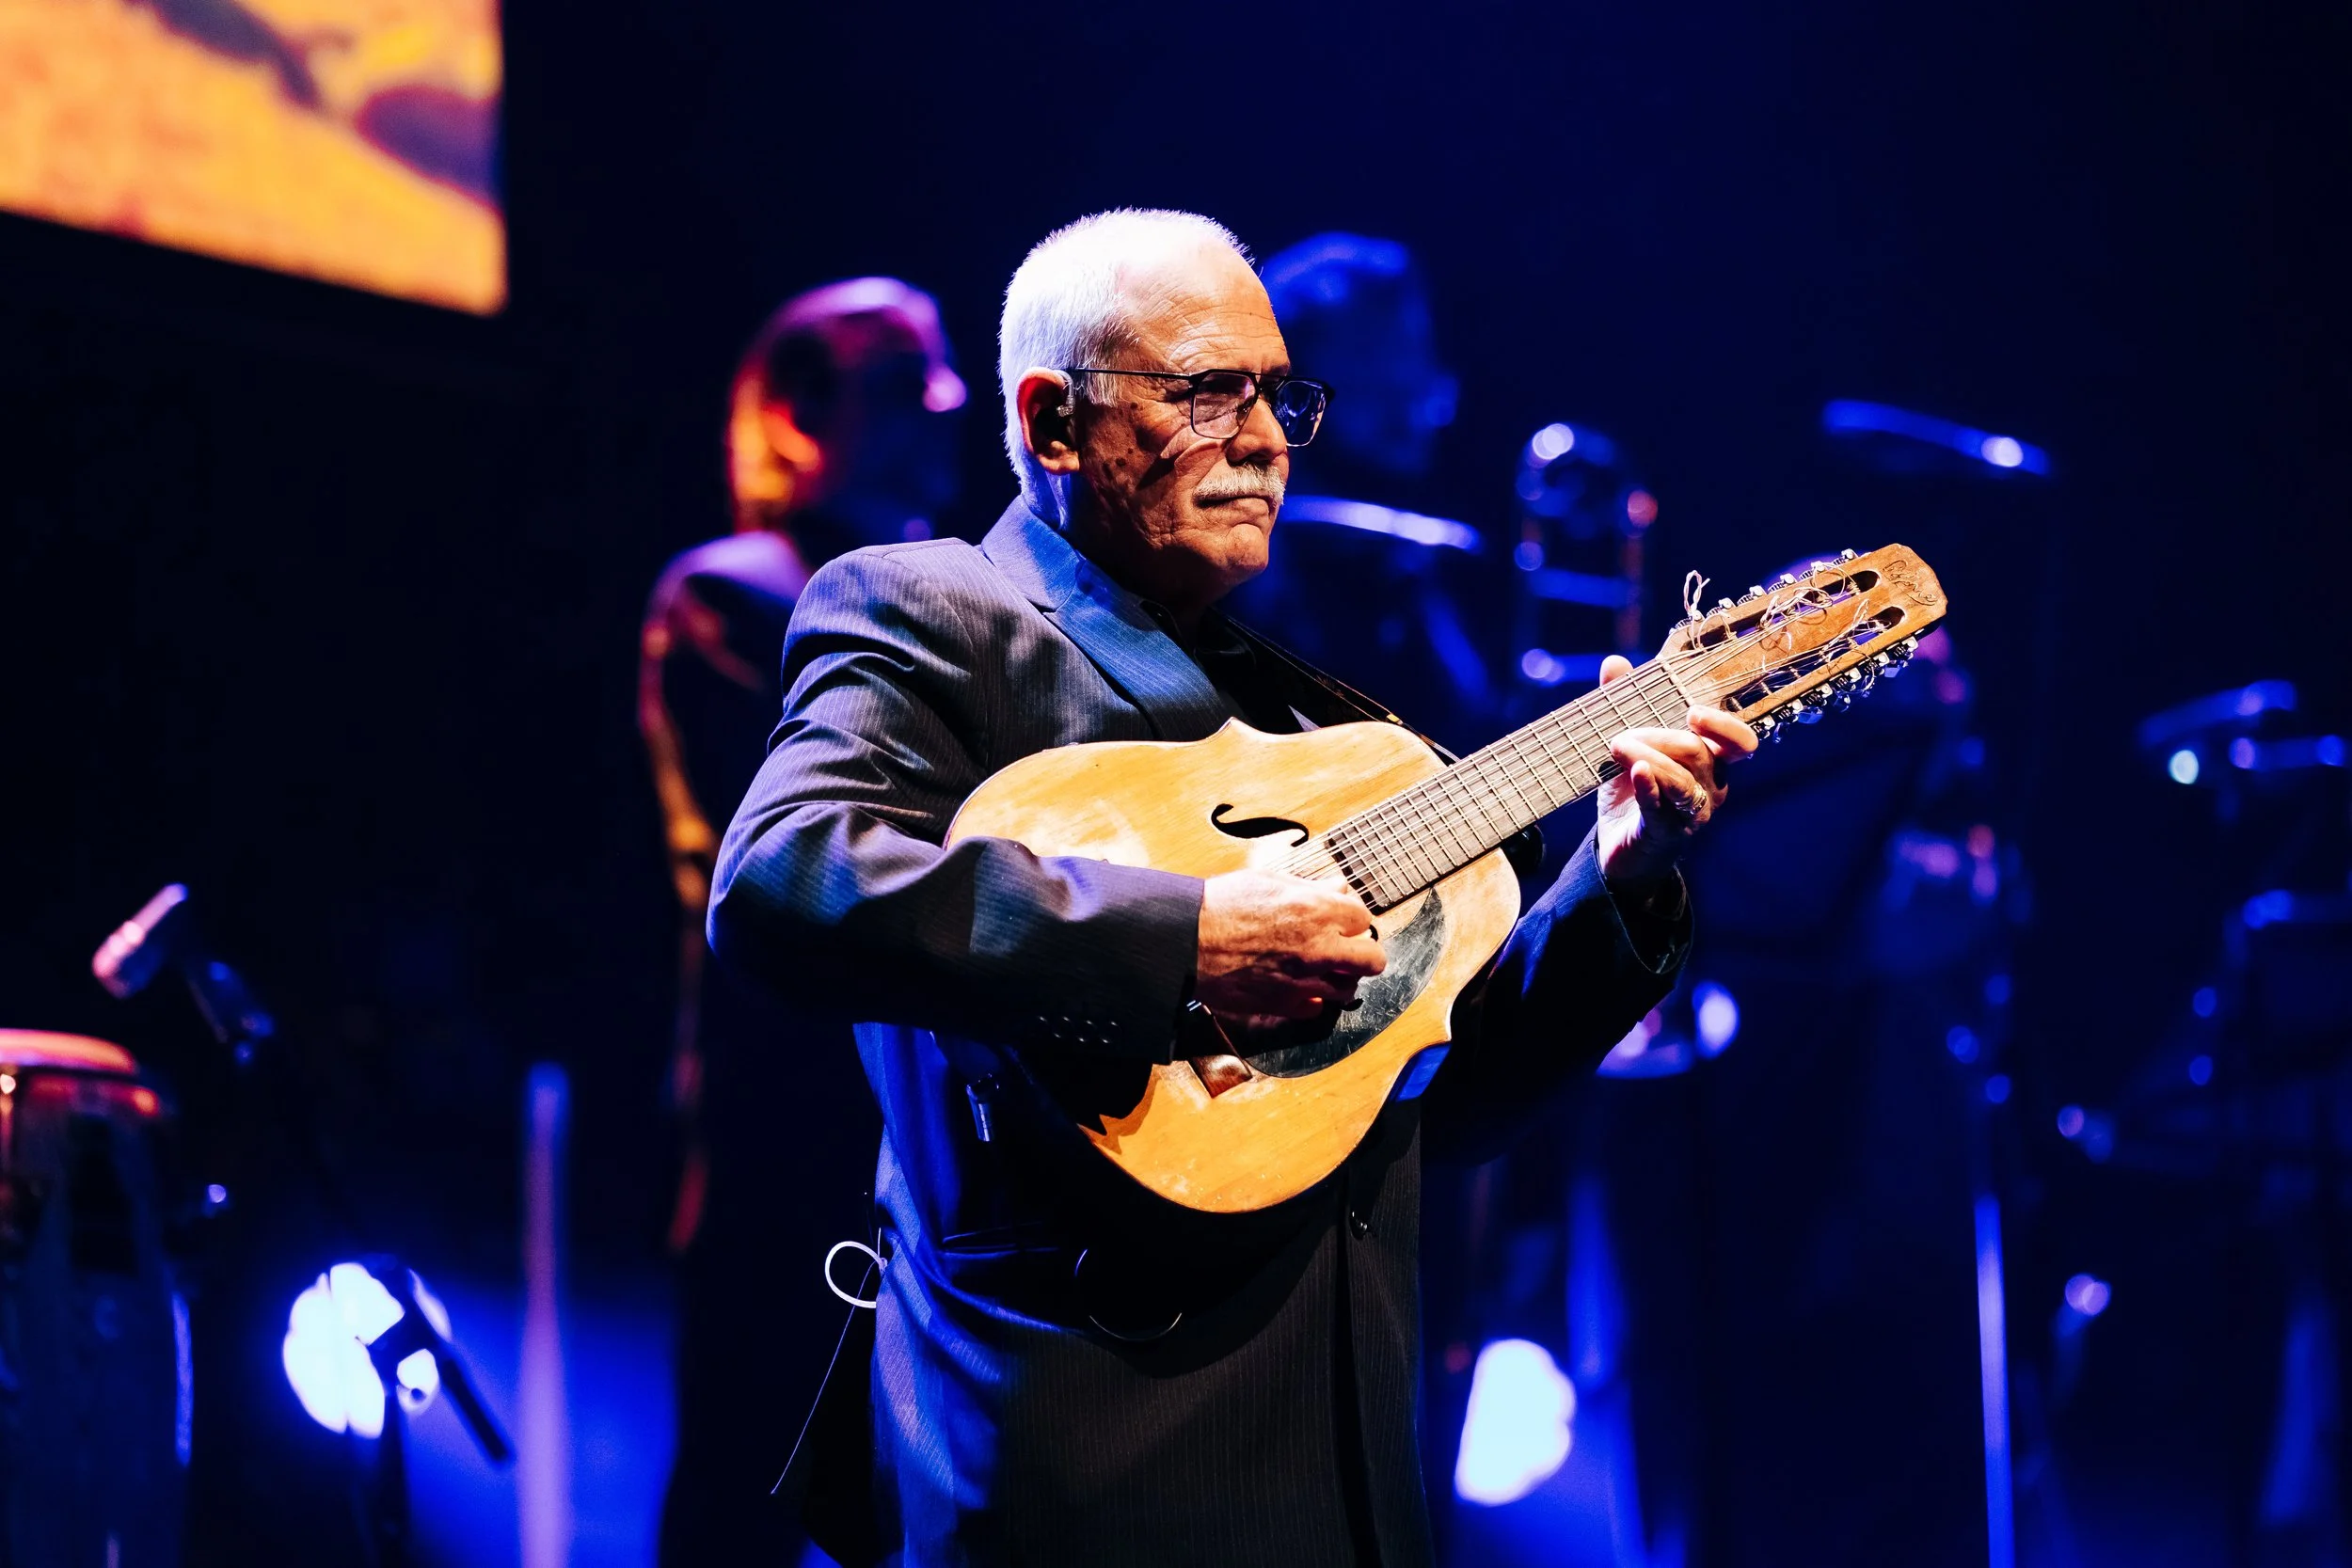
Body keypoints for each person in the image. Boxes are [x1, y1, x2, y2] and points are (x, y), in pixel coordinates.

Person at [707, 210, 1754, 1567]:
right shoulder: (933, 609)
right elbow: (785, 876)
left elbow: (1460, 1098)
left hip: (1347, 1472)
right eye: (1211, 393)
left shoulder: (1321, 720)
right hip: (1079, 1463)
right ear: (1055, 420)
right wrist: (1188, 943)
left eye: (1280, 395)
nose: (1266, 439)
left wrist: (1615, 879)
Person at [640, 276, 964, 1566]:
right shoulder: (734, 589)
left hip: (928, 1114)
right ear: (793, 414)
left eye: (941, 380)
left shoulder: (952, 593)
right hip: (790, 1104)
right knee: (752, 1473)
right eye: (899, 384)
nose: (941, 409)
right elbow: (814, 840)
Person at [1226, 232, 1498, 751]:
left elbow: (1473, 729)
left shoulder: (1408, 553)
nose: (1421, 398)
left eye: (1417, 358)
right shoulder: (1251, 562)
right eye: (1382, 371)